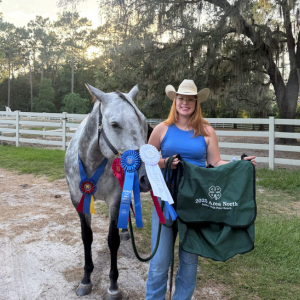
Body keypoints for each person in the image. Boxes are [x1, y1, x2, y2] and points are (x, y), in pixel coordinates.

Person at [145, 79, 256, 300]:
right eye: (181, 98)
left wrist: (241, 163)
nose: (185, 103)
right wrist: (164, 163)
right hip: (166, 200)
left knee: (188, 263)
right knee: (159, 263)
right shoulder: (162, 129)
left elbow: (216, 162)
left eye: (189, 99)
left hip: (195, 203)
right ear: (175, 101)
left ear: (196, 103)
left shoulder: (206, 130)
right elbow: (146, 159)